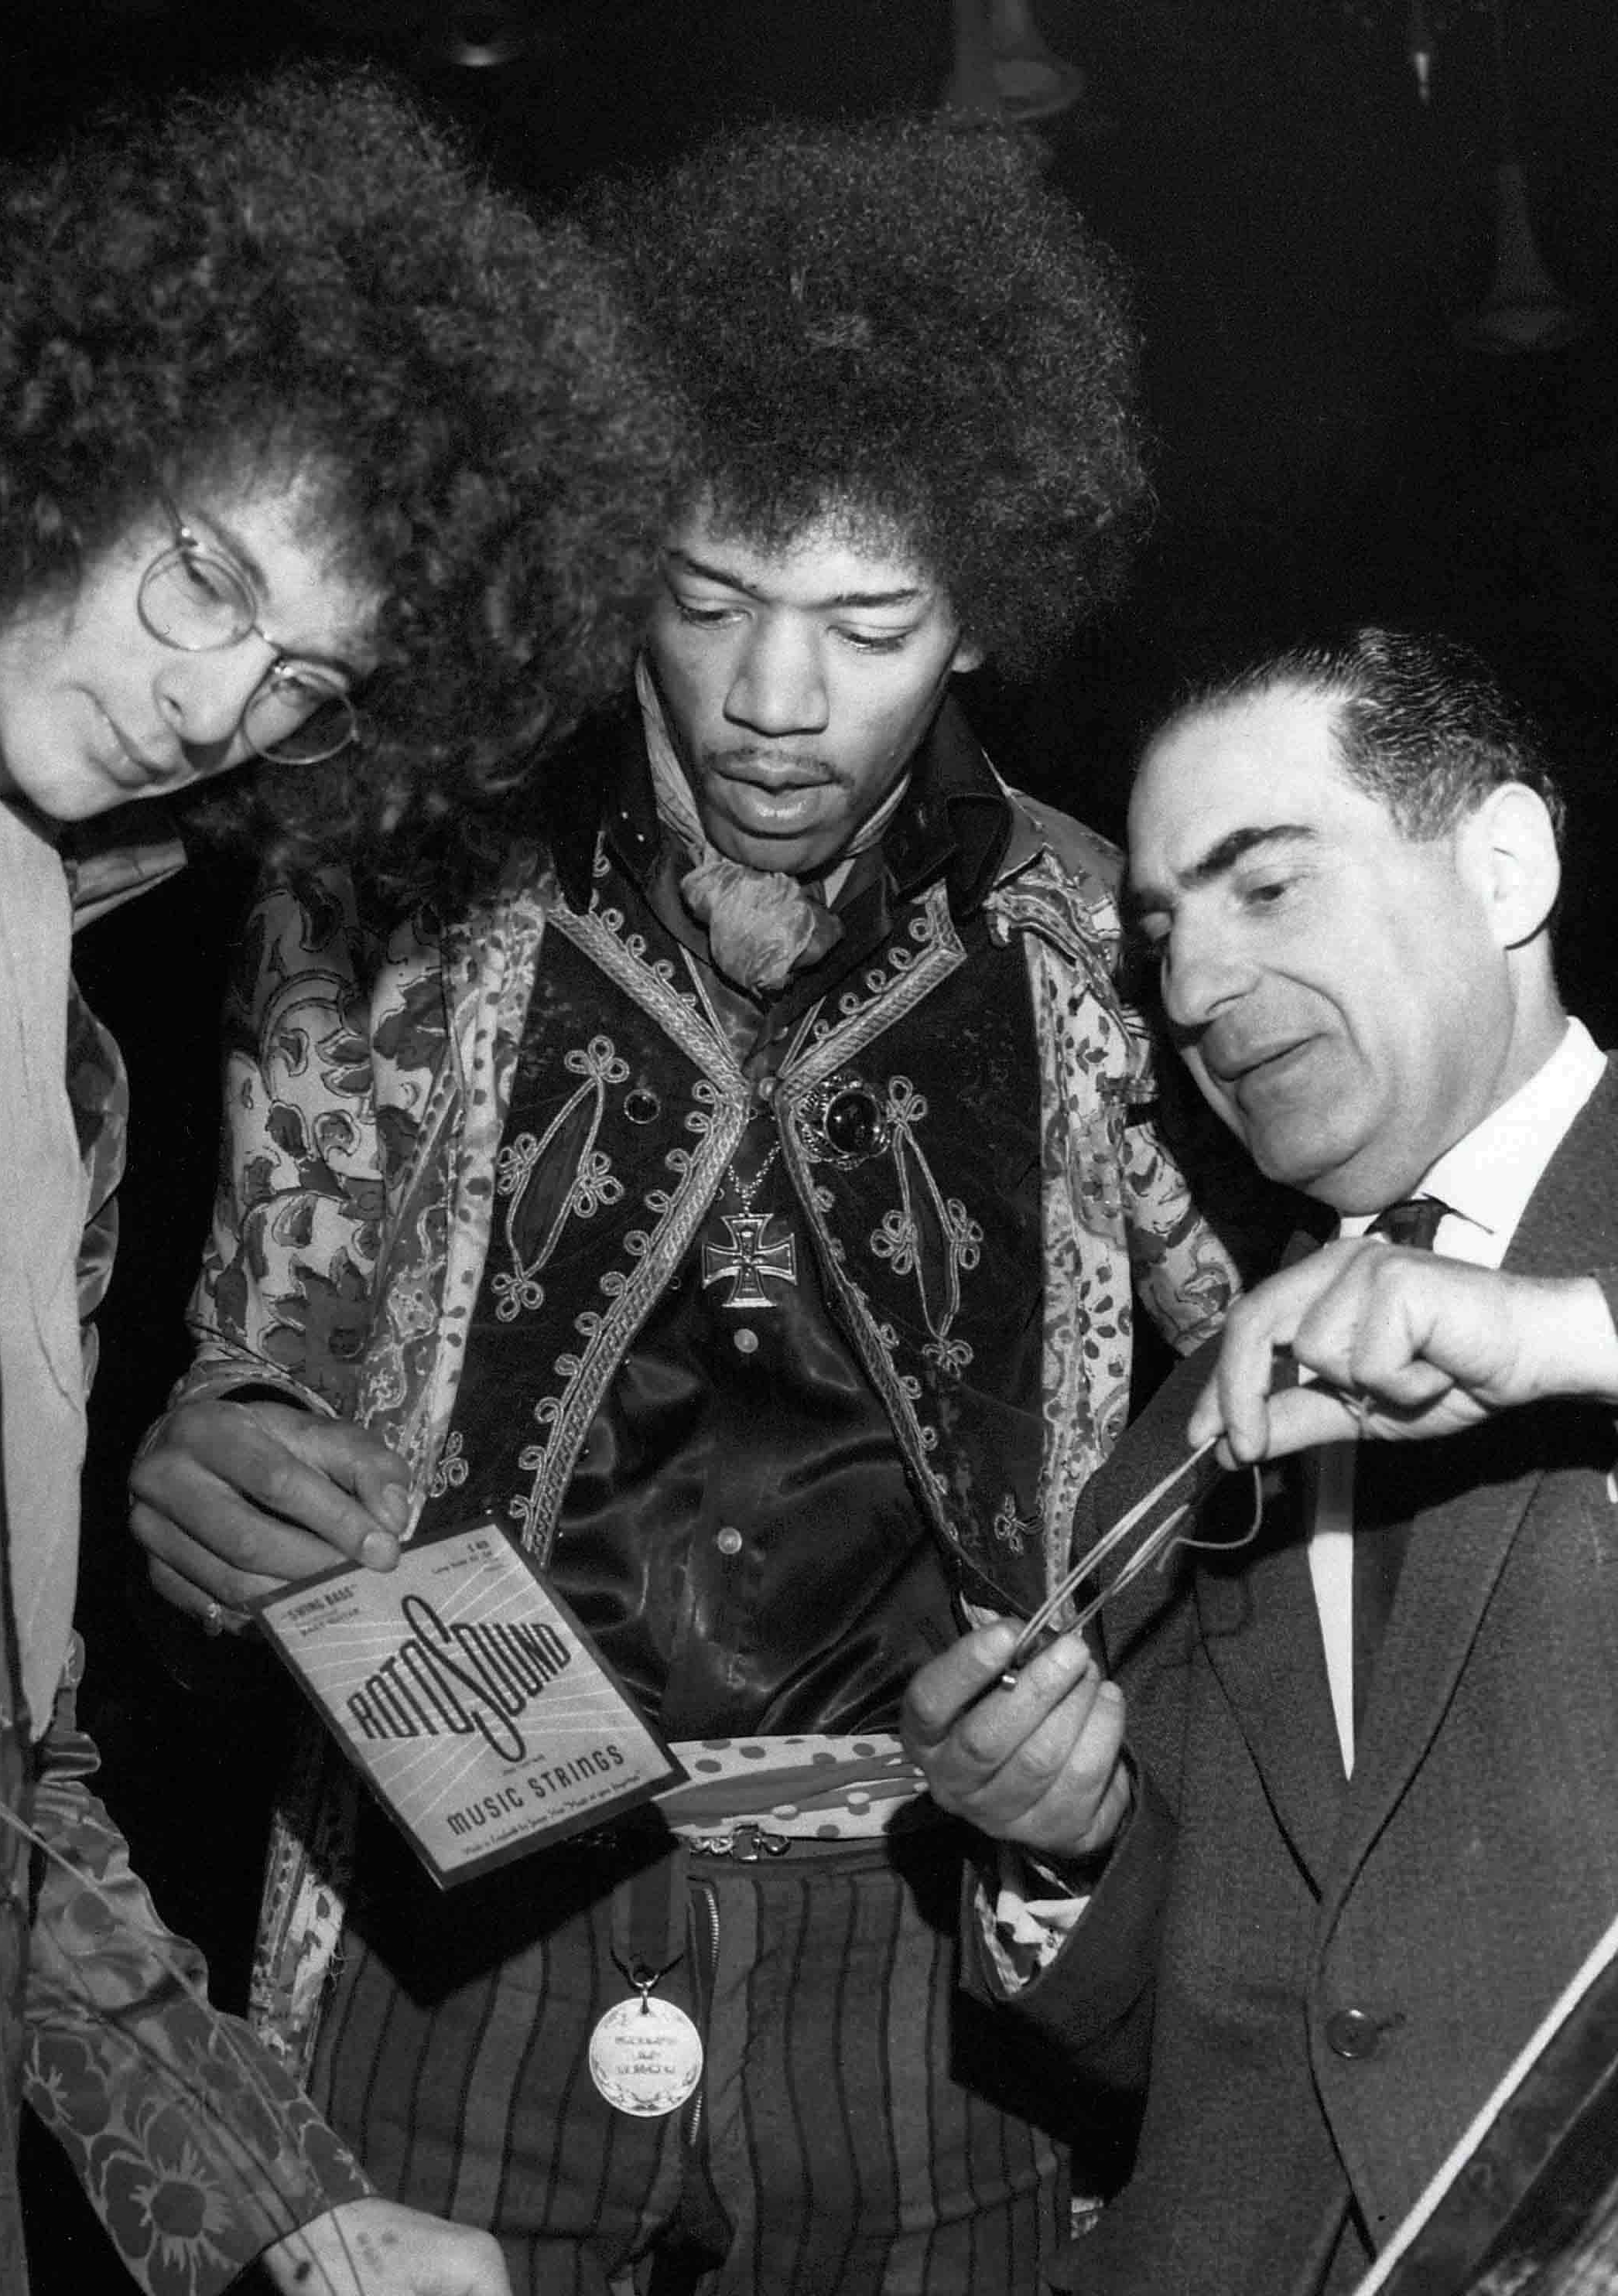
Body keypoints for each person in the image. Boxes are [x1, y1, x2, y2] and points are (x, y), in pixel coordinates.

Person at [130, 114, 1246, 2295]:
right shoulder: (389, 898)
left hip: (921, 1974)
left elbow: (1273, 1421)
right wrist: (212, 1484)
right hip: (449, 1946)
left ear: (986, 610)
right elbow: (254, 1360)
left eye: (868, 622)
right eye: (710, 598)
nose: (771, 700)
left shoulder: (1100, 947)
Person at [0, 64, 679, 2296]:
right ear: (69, 434)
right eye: (206, 575)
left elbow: (2, 1768)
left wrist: (289, 2202)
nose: (215, 703)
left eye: (304, 675)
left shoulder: (70, 1061)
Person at [903, 626, 1618, 2294]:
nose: (1194, 996)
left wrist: (1567, 1336)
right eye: (1161, 938)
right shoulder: (1187, 1439)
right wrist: (1062, 1840)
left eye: (1269, 887)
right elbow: (1201, 2037)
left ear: (1504, 865)